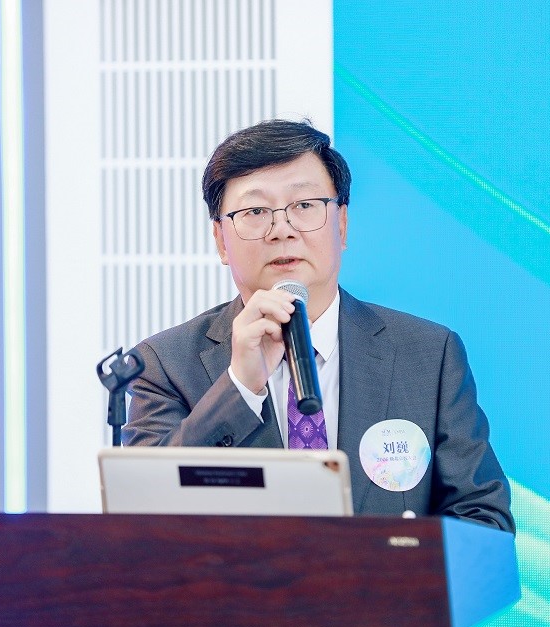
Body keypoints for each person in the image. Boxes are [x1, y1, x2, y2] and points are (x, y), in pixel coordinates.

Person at [123, 119, 513, 533]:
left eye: (304, 206)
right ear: (221, 240)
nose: (282, 230)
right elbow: (142, 519)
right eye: (255, 212)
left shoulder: (428, 357)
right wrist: (240, 386)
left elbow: (483, 521)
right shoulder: (164, 365)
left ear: (341, 224)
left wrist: (398, 562)